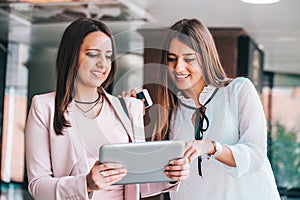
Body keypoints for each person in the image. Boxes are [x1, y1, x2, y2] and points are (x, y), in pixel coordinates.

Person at [25, 18, 189, 200]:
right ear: (72, 55)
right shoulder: (43, 107)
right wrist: (86, 183)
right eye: (93, 54)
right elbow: (37, 186)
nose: (103, 63)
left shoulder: (130, 107)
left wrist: (170, 175)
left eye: (108, 55)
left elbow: (139, 183)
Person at [150, 18, 280, 199]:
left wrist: (211, 147)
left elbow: (256, 156)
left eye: (189, 58)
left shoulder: (238, 91)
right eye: (172, 59)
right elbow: (158, 175)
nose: (178, 67)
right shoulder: (170, 109)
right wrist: (132, 113)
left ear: (205, 57)